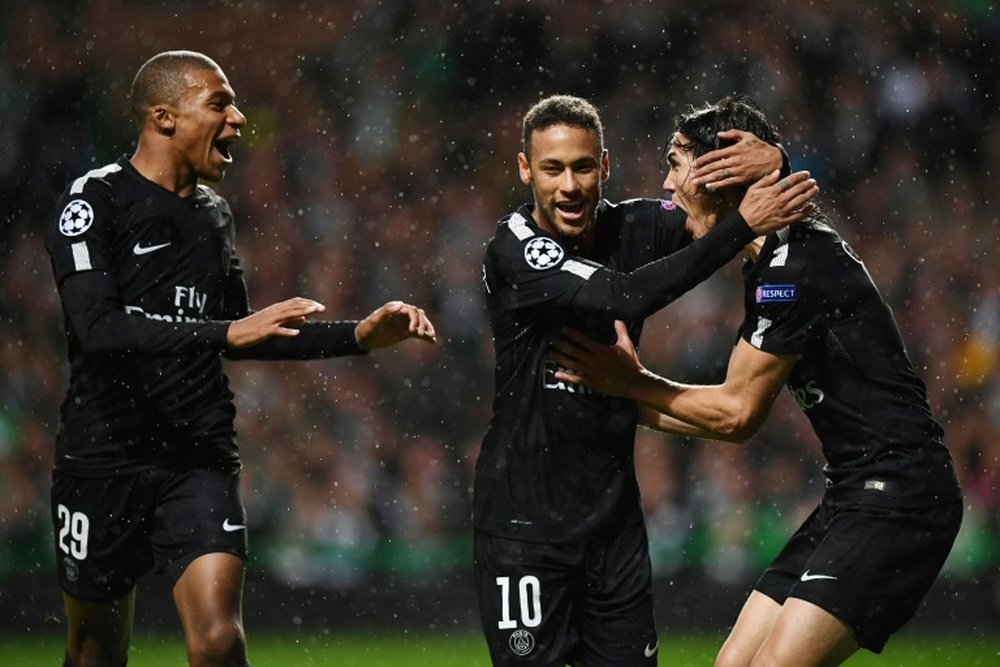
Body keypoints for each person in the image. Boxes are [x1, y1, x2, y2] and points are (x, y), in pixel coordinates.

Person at [44, 50, 436, 667]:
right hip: (103, 456)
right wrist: (221, 334)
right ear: (164, 116)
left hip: (197, 456)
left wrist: (356, 336)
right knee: (95, 651)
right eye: (219, 103)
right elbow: (99, 329)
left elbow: (251, 333)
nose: (239, 119)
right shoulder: (93, 202)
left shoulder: (212, 216)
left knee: (219, 641)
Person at [550, 96, 963, 666]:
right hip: (853, 494)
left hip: (901, 496)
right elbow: (727, 415)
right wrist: (617, 394)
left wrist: (629, 384)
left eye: (676, 164)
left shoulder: (795, 266)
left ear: (719, 172)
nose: (668, 187)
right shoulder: (776, 261)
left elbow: (736, 415)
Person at [474, 93, 817, 666]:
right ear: (525, 169)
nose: (570, 186)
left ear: (604, 165)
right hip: (524, 529)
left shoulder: (632, 227)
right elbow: (625, 293)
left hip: (613, 533)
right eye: (553, 169)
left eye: (583, 167)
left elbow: (721, 206)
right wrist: (741, 226)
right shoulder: (514, 250)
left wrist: (773, 159)